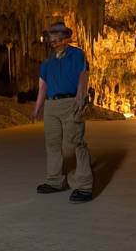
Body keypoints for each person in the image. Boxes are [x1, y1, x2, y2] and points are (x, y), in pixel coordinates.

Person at [31, 22, 93, 203]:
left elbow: (83, 75)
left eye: (58, 37)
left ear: (66, 38)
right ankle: (55, 181)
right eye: (51, 38)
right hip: (51, 105)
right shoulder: (47, 63)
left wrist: (81, 97)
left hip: (70, 101)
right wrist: (37, 108)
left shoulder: (76, 54)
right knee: (52, 144)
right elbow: (43, 87)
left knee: (76, 143)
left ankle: (84, 185)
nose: (54, 41)